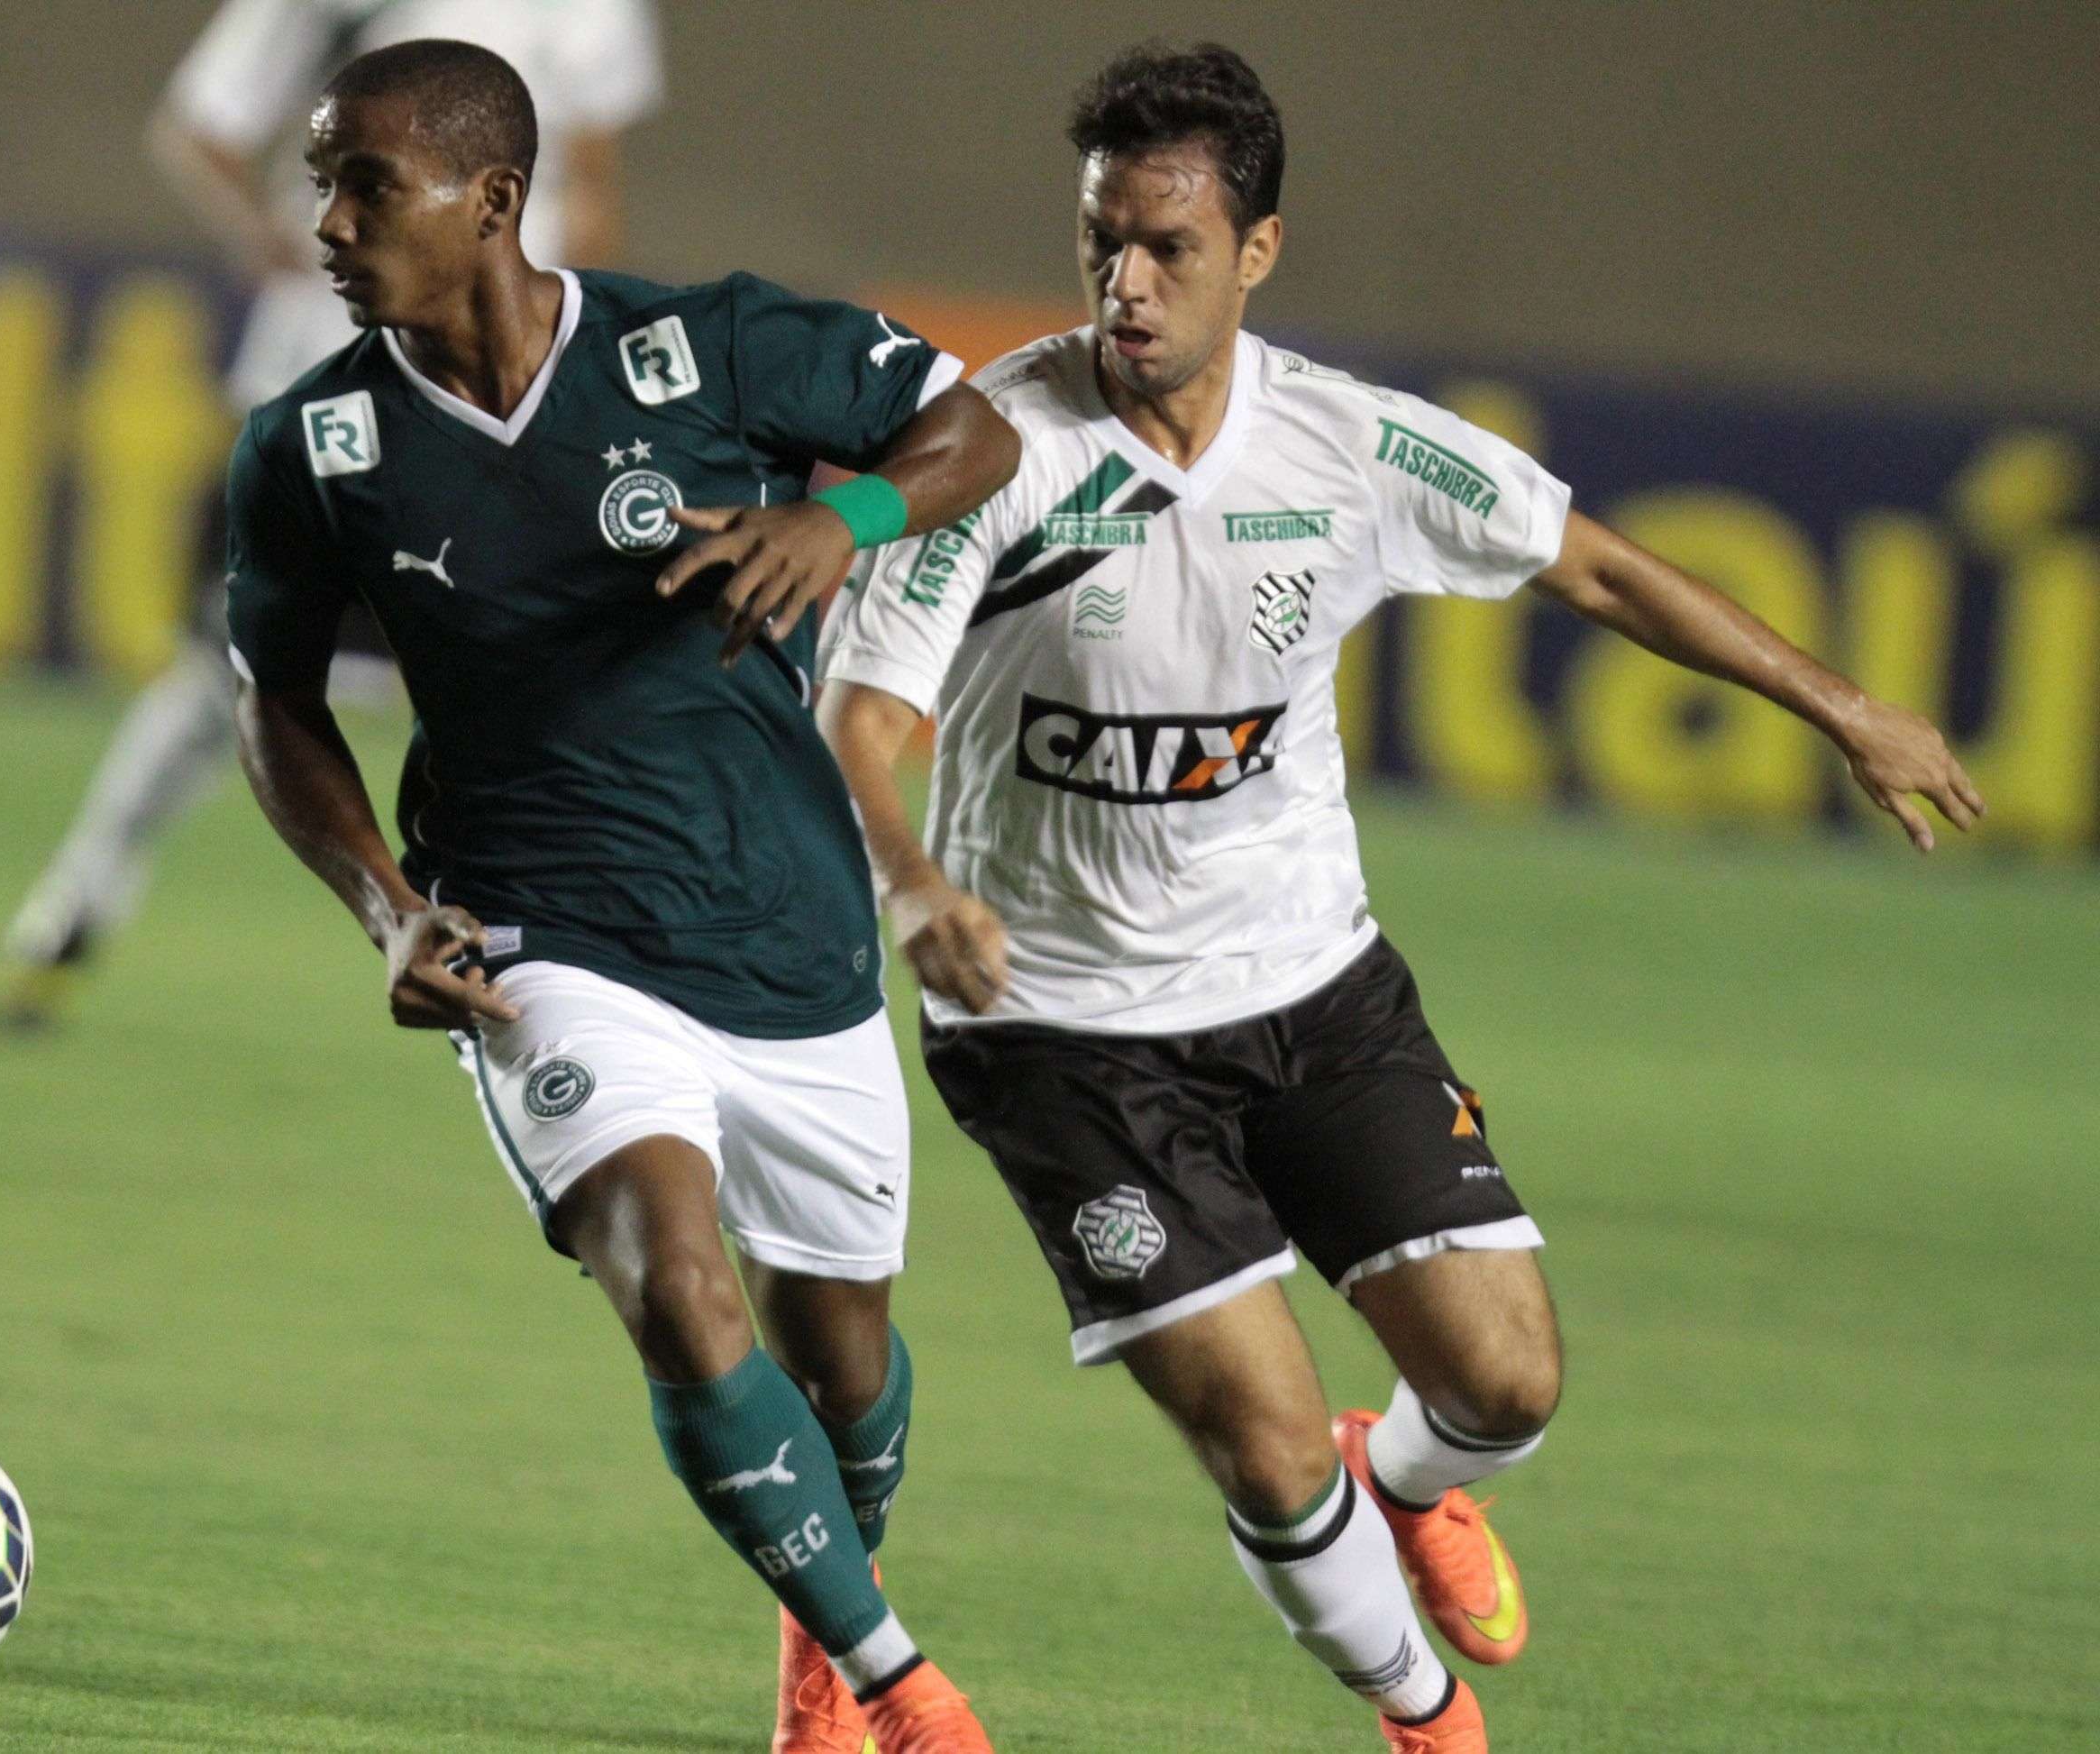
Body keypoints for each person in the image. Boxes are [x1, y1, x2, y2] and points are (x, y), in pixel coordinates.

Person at [813, 42, 1980, 1754]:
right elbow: (860, 721)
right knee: (1267, 1447)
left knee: (1507, 1383)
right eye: (1101, 247)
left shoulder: (1349, 447)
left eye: (1168, 250)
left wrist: (1847, 706)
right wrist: (912, 892)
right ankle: (1425, 1722)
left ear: (1258, 252)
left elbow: (1593, 562)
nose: (1125, 287)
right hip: (1064, 1032)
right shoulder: (990, 451)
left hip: (1312, 988)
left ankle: (1415, 1481)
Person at [226, 40, 1020, 1754]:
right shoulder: (314, 445)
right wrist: (385, 908)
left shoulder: (705, 343)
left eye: (369, 182)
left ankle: (827, 1620)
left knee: (849, 1376)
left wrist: (845, 520)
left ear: (494, 201)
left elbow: (977, 427)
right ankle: (902, 1689)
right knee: (670, 1279)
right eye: (320, 182)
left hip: (784, 927)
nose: (331, 220)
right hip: (538, 939)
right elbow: (273, 704)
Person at [0, 0, 662, 1024]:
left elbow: (596, 176)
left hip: (504, 387)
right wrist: (273, 243)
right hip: (328, 375)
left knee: (512, 670)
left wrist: (582, 355)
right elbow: (201, 127)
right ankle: (80, 895)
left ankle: (569, 962)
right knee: (234, 662)